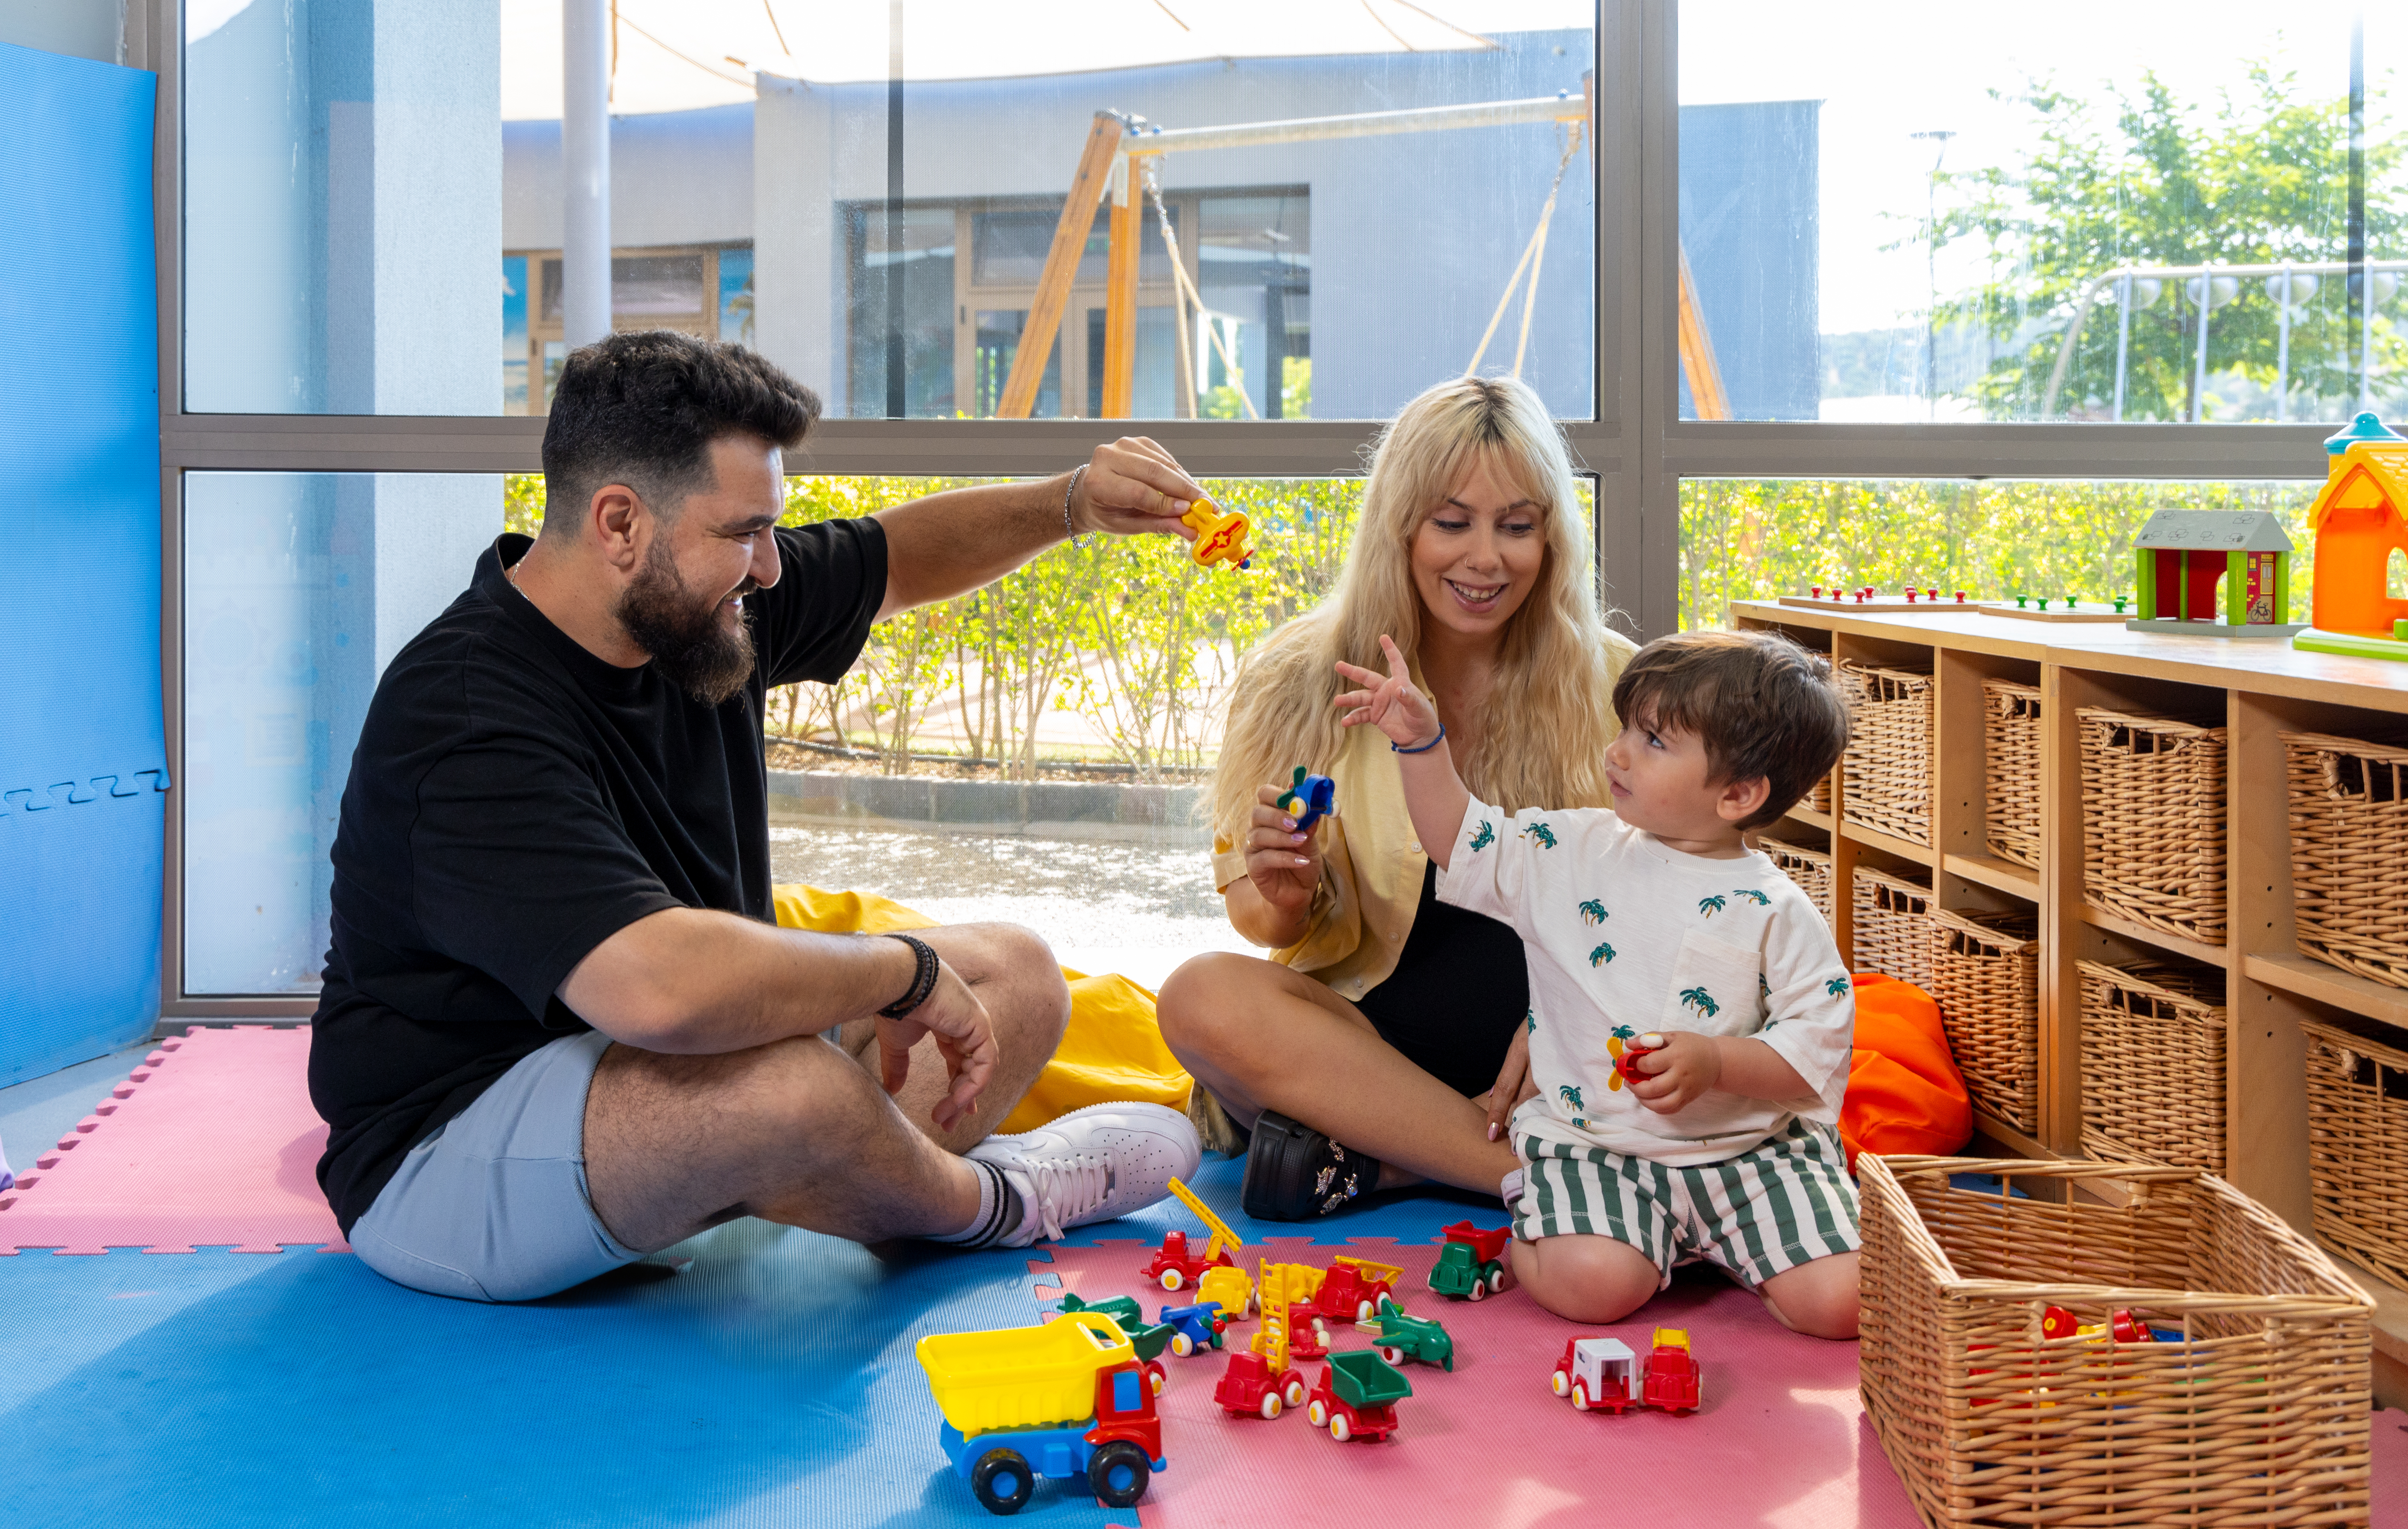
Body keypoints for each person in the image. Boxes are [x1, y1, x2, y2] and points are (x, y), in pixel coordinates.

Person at [310, 331, 1204, 1302]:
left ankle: (850, 1175)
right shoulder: (464, 711)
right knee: (794, 1088)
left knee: (1014, 973)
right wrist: (904, 974)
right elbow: (660, 990)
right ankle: (997, 1200)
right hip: (454, 1150)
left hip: (666, 1080)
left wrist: (1072, 502)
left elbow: (898, 561)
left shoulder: (695, 612)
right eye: (746, 531)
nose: (772, 568)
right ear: (620, 523)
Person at [1155, 376, 1636, 1223]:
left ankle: (1387, 1161)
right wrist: (1284, 893)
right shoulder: (1296, 674)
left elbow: (1673, 899)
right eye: (1453, 522)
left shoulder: (1619, 680)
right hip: (1363, 1048)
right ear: (1399, 526)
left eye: (1517, 526)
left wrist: (1584, 1015)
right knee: (1200, 995)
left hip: (1555, 1049)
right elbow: (1260, 924)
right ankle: (1541, 1171)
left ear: (1552, 537)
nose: (1485, 558)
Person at [1334, 627, 1861, 1338]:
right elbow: (1461, 839)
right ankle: (1562, 1232)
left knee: (1844, 1305)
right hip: (1598, 1146)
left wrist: (1716, 1062)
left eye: (1653, 742)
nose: (1616, 752)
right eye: (1626, 728)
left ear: (1739, 793)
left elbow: (1816, 1047)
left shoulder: (1779, 909)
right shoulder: (1571, 849)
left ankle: (1703, 1244)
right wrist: (1422, 747)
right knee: (1594, 1287)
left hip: (1754, 1155)